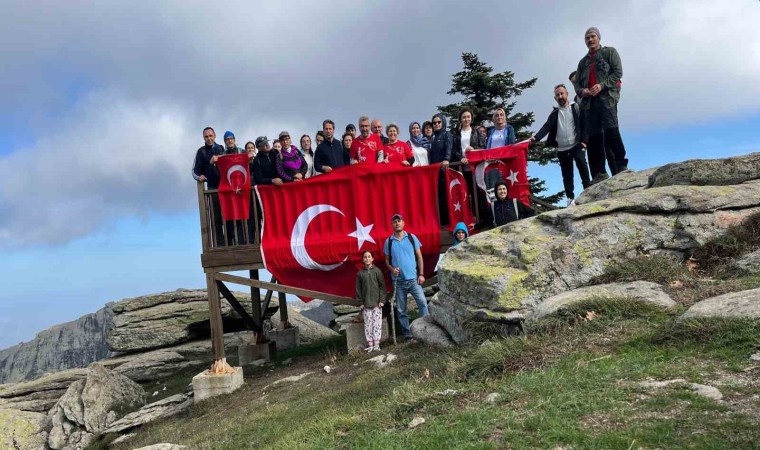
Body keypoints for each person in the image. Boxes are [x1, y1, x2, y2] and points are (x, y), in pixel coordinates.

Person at [574, 26, 629, 184]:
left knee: (612, 131)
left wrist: (602, 85)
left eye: (592, 36)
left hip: (607, 99)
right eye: (587, 38)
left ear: (598, 38)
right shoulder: (582, 62)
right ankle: (599, 173)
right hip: (589, 103)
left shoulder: (610, 52)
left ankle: (621, 166)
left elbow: (617, 72)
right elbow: (577, 83)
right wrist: (582, 91)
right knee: (595, 138)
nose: (590, 40)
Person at [531, 84, 592, 207]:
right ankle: (570, 199)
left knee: (583, 166)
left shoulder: (576, 108)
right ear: (555, 98)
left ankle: (589, 193)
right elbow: (546, 127)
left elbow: (585, 124)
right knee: (567, 175)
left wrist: (584, 142)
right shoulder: (554, 113)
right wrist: (535, 138)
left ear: (567, 94)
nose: (560, 96)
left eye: (562, 93)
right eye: (557, 95)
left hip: (576, 145)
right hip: (562, 149)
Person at [383, 213, 428, 341]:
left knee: (423, 303)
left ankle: (426, 328)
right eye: (394, 222)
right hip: (399, 281)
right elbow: (386, 260)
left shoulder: (412, 238)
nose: (397, 223)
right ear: (392, 225)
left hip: (414, 279)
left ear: (403, 223)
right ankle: (408, 335)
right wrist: (392, 269)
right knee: (402, 310)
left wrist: (421, 274)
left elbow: (419, 257)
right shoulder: (389, 241)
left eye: (399, 221)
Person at [192, 127, 227, 246]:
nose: (209, 138)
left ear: (215, 136)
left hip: (225, 187)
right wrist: (199, 176)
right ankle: (220, 244)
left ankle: (230, 241)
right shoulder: (201, 152)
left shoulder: (221, 148)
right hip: (212, 188)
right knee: (215, 217)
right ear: (203, 138)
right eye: (206, 136)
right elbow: (194, 171)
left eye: (211, 136)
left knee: (228, 215)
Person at [355, 250, 386, 352]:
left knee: (377, 323)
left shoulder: (377, 271)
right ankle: (370, 344)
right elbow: (358, 289)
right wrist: (361, 302)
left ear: (372, 259)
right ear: (363, 260)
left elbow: (382, 287)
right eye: (365, 257)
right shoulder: (360, 274)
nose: (367, 258)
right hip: (366, 304)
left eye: (369, 257)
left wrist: (382, 300)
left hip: (377, 303)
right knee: (368, 324)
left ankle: (377, 344)